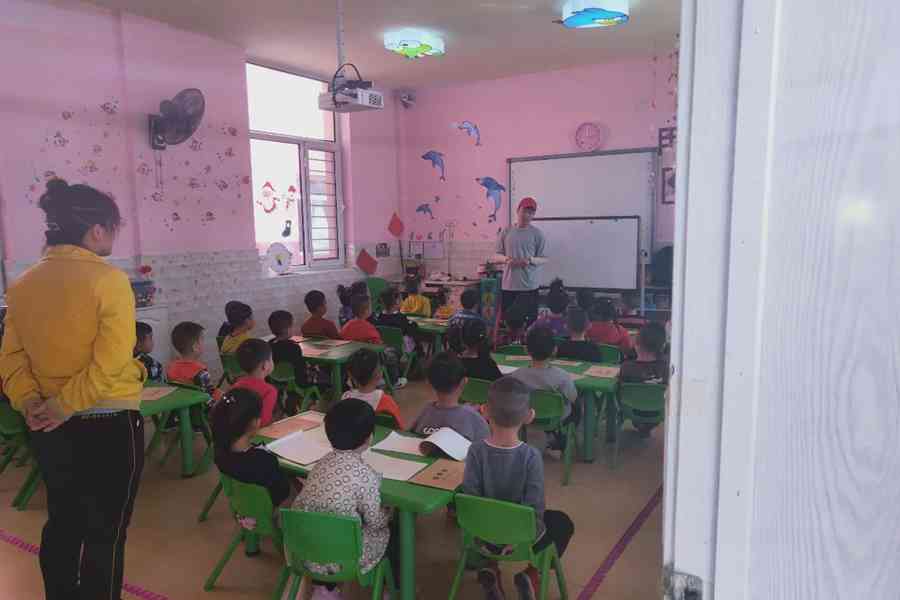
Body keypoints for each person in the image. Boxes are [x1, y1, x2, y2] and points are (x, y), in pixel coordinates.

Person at [0, 179, 146, 599]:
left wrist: (30, 401)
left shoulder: (22, 284)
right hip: (108, 420)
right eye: (113, 228)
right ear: (97, 230)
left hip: (47, 425)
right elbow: (111, 362)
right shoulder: (109, 280)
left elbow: (11, 358)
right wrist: (64, 405)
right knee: (106, 531)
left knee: (63, 522)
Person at [463, 377, 574, 600]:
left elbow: (470, 495)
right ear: (530, 416)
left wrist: (483, 534)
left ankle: (490, 566)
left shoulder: (475, 451)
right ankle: (533, 574)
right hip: (521, 538)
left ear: (484, 411)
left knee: (490, 513)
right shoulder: (531, 456)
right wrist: (515, 538)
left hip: (482, 533)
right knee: (562, 523)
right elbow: (535, 505)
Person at [292, 399, 400, 600]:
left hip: (307, 552)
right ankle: (391, 589)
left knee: (329, 525)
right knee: (391, 531)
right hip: (345, 560)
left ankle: (324, 590)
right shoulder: (365, 475)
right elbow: (375, 521)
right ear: (369, 437)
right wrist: (389, 511)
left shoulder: (319, 465)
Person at [211, 388, 294, 506]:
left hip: (244, 509)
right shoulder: (265, 460)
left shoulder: (220, 453)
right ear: (255, 423)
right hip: (273, 512)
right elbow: (283, 493)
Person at [509, 325, 578, 451]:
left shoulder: (516, 375)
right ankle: (559, 438)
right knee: (577, 408)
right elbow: (573, 397)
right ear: (554, 350)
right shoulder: (562, 376)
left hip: (527, 416)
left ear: (526, 350)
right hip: (556, 419)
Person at [411, 352, 489, 446]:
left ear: (429, 383)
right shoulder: (474, 419)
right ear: (464, 382)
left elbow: (411, 436)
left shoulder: (425, 411)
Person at [492, 197, 548, 327]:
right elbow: (496, 255)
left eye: (531, 213)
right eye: (524, 211)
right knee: (509, 324)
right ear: (518, 210)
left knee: (530, 325)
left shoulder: (537, 234)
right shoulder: (506, 231)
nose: (527, 215)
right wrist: (507, 260)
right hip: (509, 286)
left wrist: (529, 260)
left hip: (529, 287)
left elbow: (544, 258)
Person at [341, 348, 405, 429]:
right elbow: (399, 428)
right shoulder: (387, 401)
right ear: (380, 374)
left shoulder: (345, 398)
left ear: (350, 375)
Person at [167, 321, 220, 402]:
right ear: (195, 347)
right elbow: (210, 394)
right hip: (200, 407)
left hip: (181, 406)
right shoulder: (200, 371)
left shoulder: (171, 367)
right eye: (202, 340)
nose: (203, 343)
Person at [230, 339, 278, 427]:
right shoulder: (269, 391)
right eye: (271, 358)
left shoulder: (235, 386)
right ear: (265, 365)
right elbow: (263, 423)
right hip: (256, 434)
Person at [268, 310, 307, 385]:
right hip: (297, 380)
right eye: (292, 326)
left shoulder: (269, 344)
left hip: (275, 379)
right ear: (287, 329)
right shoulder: (294, 347)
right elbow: (300, 369)